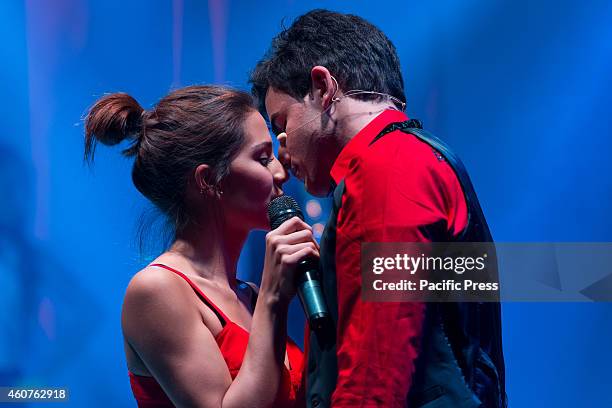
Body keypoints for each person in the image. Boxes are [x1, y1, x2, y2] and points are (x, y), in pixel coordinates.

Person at [251, 9, 506, 408]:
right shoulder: (424, 158)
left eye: (282, 123)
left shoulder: (386, 169)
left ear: (322, 87)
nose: (282, 153)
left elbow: (376, 374)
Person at [84, 85, 316, 407]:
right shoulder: (157, 290)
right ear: (208, 181)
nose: (280, 172)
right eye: (263, 159)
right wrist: (273, 300)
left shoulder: (247, 293)